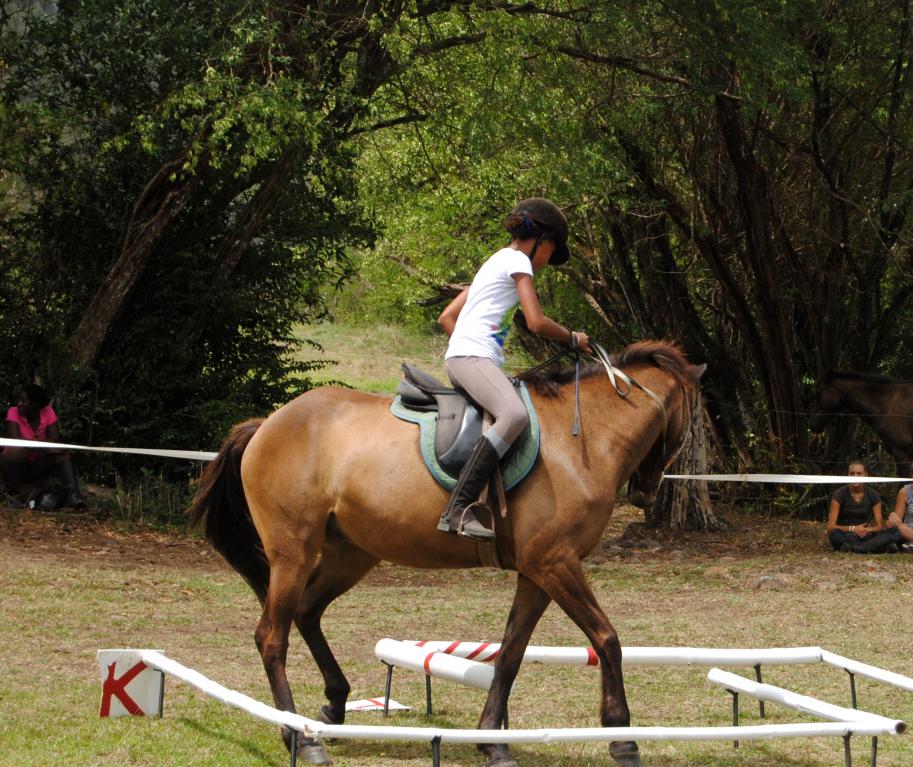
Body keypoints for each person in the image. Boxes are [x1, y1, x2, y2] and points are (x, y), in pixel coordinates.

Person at [435, 198, 590, 542]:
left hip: (466, 357)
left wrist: (473, 350)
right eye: (551, 250)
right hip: (471, 358)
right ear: (540, 240)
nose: (549, 260)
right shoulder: (519, 260)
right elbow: (535, 322)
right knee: (515, 415)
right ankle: (458, 507)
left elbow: (446, 317)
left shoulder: (492, 263)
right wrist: (572, 337)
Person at [1, 383, 87, 509]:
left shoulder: (48, 412)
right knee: (17, 449)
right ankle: (12, 495)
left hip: (36, 465)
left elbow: (55, 442)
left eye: (23, 401)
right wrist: (41, 444)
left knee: (63, 456)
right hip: (14, 466)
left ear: (34, 405)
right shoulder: (13, 412)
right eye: (19, 400)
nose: (19, 403)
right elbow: (16, 440)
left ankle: (73, 496)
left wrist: (40, 444)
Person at [826, 459, 885, 553]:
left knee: (894, 532)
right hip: (845, 534)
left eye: (859, 473)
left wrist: (866, 530)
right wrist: (853, 529)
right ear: (848, 475)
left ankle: (855, 548)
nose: (855, 476)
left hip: (865, 534)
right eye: (852, 473)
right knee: (834, 535)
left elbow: (879, 527)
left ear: (866, 475)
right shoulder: (839, 494)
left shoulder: (873, 494)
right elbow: (830, 527)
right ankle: (872, 547)